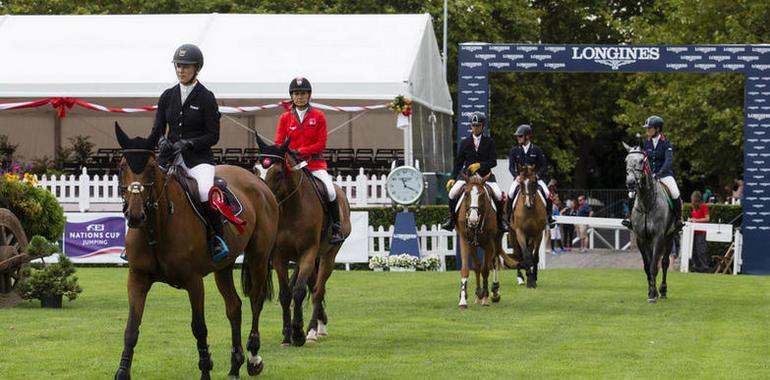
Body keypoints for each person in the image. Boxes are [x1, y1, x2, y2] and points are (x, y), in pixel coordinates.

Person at [147, 43, 228, 260]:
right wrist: (162, 141)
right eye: (178, 66)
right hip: (169, 157)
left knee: (204, 191)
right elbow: (157, 130)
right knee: (145, 189)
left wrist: (190, 143)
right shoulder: (167, 96)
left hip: (198, 159)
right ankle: (136, 241)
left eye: (186, 66)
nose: (181, 70)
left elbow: (213, 135)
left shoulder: (206, 97)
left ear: (197, 68)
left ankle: (217, 238)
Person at [275, 77, 344, 244]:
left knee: (330, 190)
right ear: (292, 96)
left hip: (314, 164)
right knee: (275, 189)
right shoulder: (285, 118)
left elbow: (320, 144)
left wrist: (300, 151)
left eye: (303, 93)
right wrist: (287, 157)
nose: (299, 97)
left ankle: (335, 227)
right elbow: (278, 143)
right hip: (292, 166)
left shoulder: (318, 116)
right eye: (296, 94)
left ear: (309, 95)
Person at [442, 112, 507, 232]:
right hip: (467, 176)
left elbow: (493, 162)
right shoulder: (465, 142)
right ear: (470, 127)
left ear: (482, 126)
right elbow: (459, 163)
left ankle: (500, 221)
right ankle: (451, 219)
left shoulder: (489, 142)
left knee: (498, 195)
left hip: (485, 176)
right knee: (452, 193)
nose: (475, 128)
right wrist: (452, 177)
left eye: (478, 125)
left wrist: (480, 165)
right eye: (473, 125)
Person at [621, 115, 683, 231]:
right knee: (631, 193)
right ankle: (630, 219)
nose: (647, 130)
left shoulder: (666, 143)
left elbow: (668, 161)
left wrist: (660, 173)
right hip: (648, 176)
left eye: (649, 128)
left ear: (658, 129)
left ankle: (678, 219)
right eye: (647, 128)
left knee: (675, 192)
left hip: (664, 175)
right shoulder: (645, 143)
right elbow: (642, 159)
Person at [505, 124, 555, 227]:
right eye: (517, 136)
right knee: (510, 193)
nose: (518, 138)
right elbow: (511, 167)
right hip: (521, 179)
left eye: (520, 136)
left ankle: (549, 217)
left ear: (527, 136)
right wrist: (516, 176)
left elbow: (544, 166)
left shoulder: (537, 149)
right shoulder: (515, 150)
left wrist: (537, 176)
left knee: (547, 193)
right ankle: (508, 218)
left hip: (535, 178)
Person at [689, 190, 710, 272]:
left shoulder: (704, 206)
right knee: (693, 250)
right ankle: (697, 266)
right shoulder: (694, 207)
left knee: (701, 250)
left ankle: (704, 266)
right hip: (694, 231)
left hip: (701, 232)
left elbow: (707, 218)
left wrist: (696, 220)